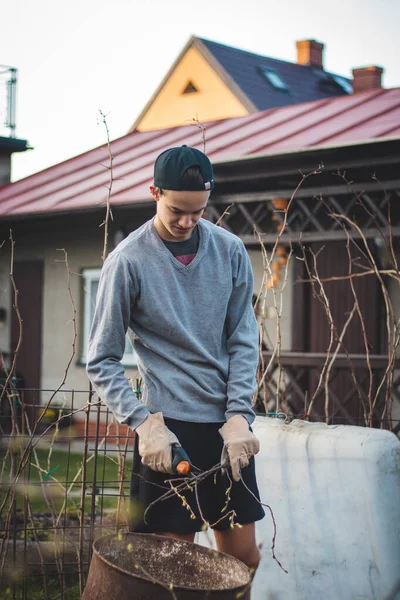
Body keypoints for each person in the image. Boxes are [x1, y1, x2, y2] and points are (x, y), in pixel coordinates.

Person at [86, 145, 264, 572]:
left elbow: (243, 339)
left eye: (198, 212)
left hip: (227, 428)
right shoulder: (128, 261)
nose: (187, 222)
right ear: (154, 192)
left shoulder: (231, 251)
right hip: (169, 432)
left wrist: (240, 413)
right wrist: (143, 423)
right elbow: (101, 358)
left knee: (242, 558)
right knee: (176, 564)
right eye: (176, 211)